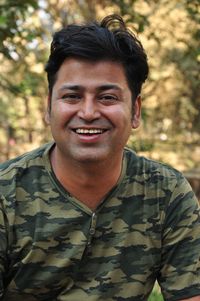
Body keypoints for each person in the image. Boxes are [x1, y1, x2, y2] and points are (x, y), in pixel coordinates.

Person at [0, 14, 199, 301]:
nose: (89, 112)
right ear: (48, 108)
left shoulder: (165, 193)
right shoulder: (6, 194)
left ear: (135, 111)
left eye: (107, 97)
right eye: (72, 96)